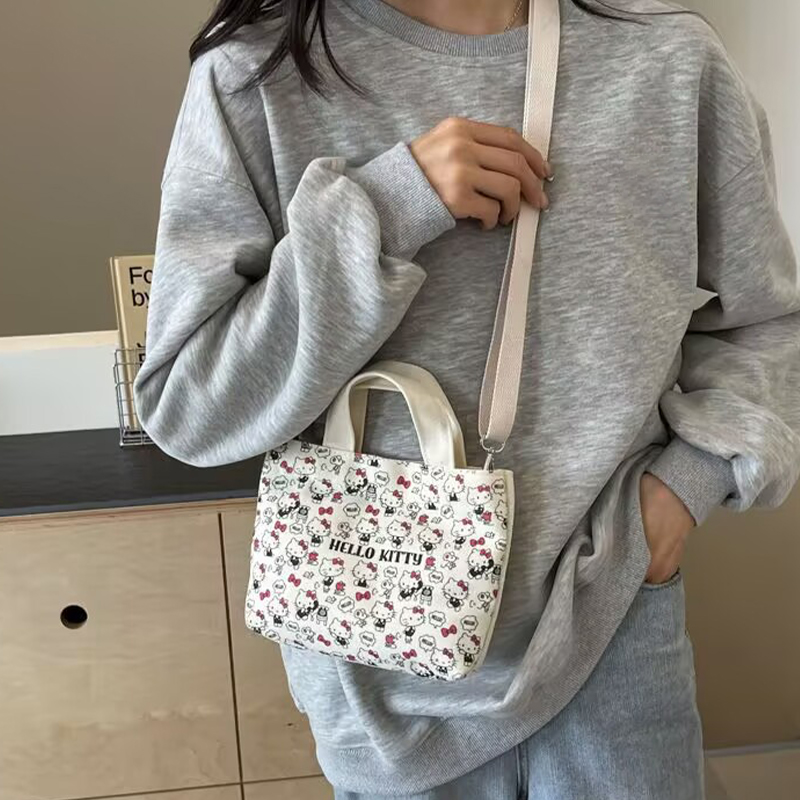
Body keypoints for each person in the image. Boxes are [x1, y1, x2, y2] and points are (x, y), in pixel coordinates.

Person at [132, 0, 800, 797]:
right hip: (380, 674)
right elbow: (191, 404)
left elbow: (767, 325)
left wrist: (680, 493)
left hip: (613, 625)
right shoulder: (255, 77)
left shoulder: (668, 61)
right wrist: (385, 207)